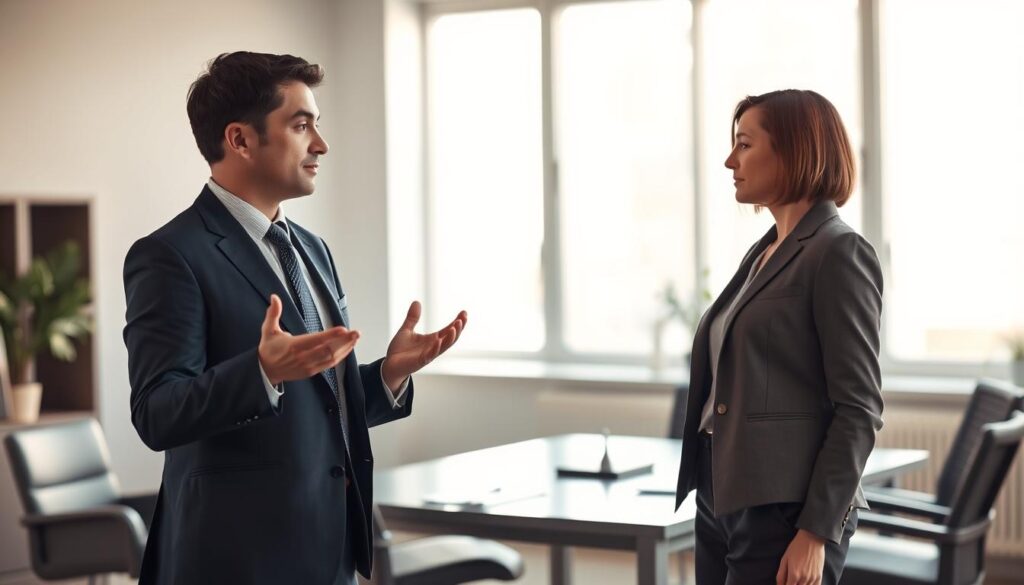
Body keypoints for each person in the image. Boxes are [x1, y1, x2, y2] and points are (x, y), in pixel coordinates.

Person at [123, 51, 467, 585]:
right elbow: (157, 412)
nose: (320, 145)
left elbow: (321, 413)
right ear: (240, 139)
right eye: (301, 125)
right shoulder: (171, 255)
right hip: (234, 562)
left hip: (328, 553)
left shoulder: (312, 250)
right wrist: (261, 373)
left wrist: (387, 375)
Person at [673, 89, 883, 585]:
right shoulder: (764, 251)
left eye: (744, 145)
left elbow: (859, 408)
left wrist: (816, 532)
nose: (730, 160)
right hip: (722, 491)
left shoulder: (838, 251)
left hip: (785, 510)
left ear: (795, 149)